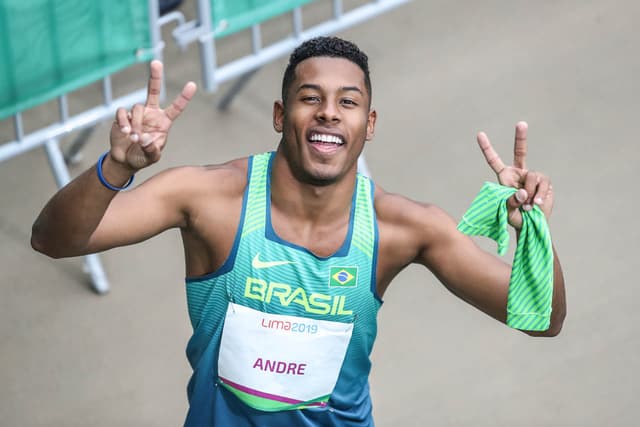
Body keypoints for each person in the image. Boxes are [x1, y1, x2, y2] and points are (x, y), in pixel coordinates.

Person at [31, 36, 566, 426]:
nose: (329, 113)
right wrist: (115, 168)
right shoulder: (208, 198)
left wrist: (531, 227)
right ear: (280, 115)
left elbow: (541, 319)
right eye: (310, 98)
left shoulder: (403, 227)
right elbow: (53, 241)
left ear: (369, 124)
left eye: (348, 102)